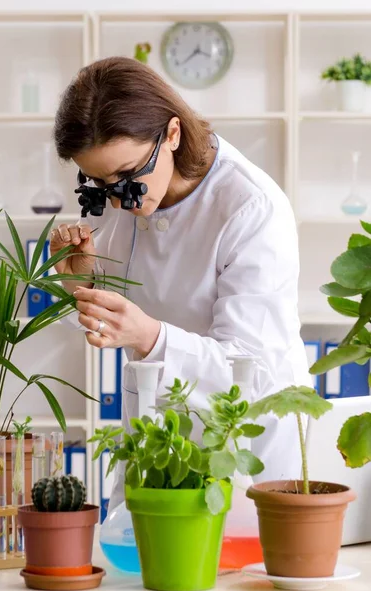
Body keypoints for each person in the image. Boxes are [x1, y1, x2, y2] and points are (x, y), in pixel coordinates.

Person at [50, 56, 312, 514]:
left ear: (171, 134)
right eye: (98, 182)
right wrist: (81, 285)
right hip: (154, 442)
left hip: (248, 450)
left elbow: (249, 368)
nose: (116, 198)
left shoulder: (250, 208)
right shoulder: (118, 193)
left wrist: (149, 337)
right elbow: (118, 311)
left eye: (128, 176)